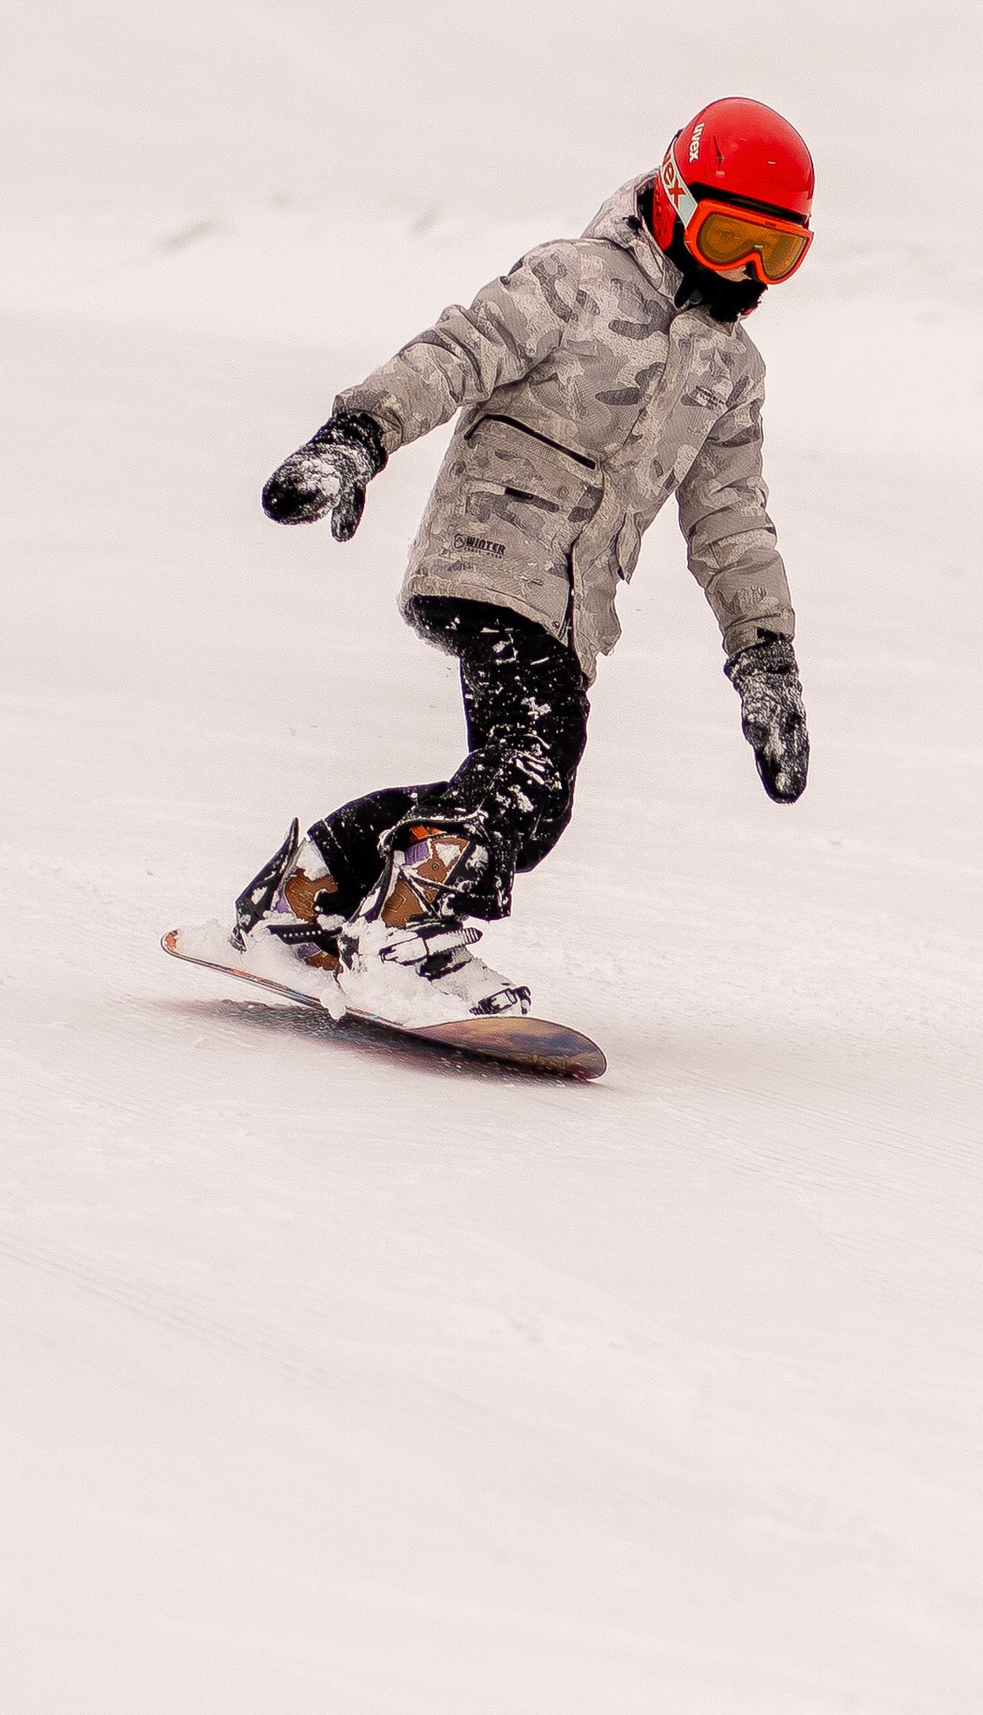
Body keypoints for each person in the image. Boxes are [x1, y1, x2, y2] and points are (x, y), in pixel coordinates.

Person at [179, 98, 815, 1036]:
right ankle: (410, 934)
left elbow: (732, 522)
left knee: (506, 780)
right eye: (729, 239)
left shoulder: (731, 368)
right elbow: (454, 356)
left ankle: (307, 896)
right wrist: (358, 435)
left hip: (570, 602)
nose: (750, 273)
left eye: (779, 254)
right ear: (677, 203)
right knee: (534, 769)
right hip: (488, 556)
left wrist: (764, 657)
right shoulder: (572, 283)